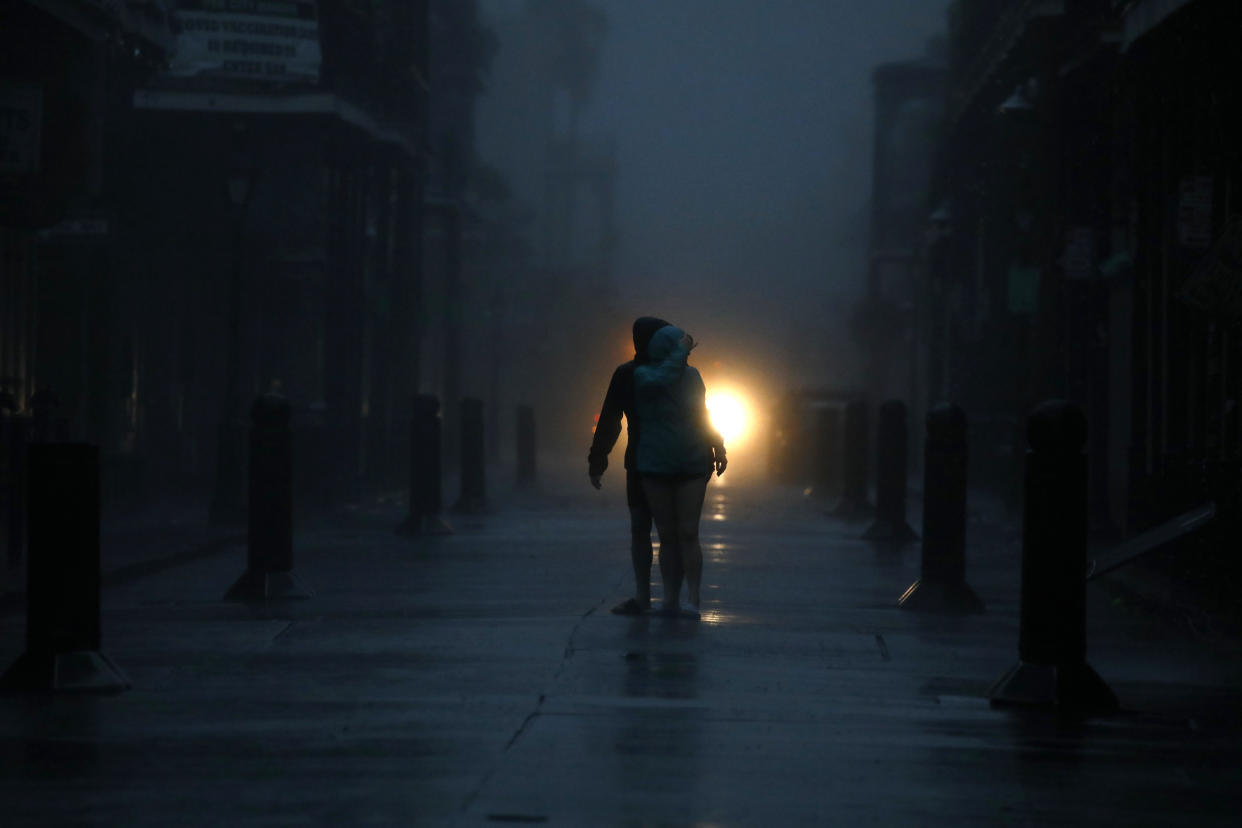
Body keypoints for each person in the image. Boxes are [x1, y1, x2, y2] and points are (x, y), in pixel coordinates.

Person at [633, 324, 727, 619]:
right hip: (655, 463)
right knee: (667, 534)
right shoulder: (644, 376)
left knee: (688, 531)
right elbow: (662, 379)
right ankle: (670, 598)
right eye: (681, 350)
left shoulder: (693, 377)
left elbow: (702, 414)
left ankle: (693, 599)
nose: (687, 357)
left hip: (692, 461)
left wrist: (718, 445)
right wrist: (678, 354)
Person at [588, 316, 676, 615]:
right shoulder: (676, 372)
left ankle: (643, 596)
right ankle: (670, 599)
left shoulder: (626, 374)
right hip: (670, 461)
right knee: (668, 532)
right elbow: (697, 417)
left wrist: (598, 459)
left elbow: (611, 420)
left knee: (641, 529)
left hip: (640, 461)